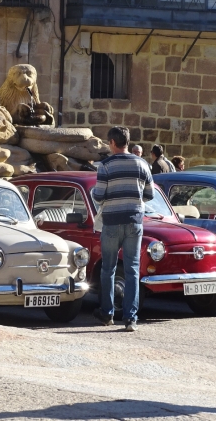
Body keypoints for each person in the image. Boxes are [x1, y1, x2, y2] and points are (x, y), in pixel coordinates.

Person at [92, 127, 153, 332]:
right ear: (127, 142)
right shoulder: (142, 163)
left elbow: (99, 196)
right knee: (132, 270)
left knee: (107, 269)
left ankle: (107, 313)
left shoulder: (106, 166)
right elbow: (149, 194)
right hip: (135, 221)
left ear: (111, 143)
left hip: (111, 222)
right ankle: (130, 318)